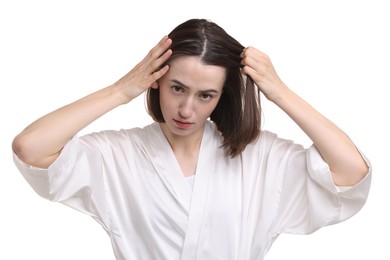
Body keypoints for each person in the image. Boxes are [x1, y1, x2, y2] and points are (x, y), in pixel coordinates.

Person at [12, 18, 371, 260]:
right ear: (156, 80)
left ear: (222, 97)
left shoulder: (260, 157)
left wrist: (279, 92)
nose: (186, 109)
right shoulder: (118, 155)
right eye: (177, 88)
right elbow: (31, 148)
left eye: (205, 95)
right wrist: (121, 91)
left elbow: (350, 172)